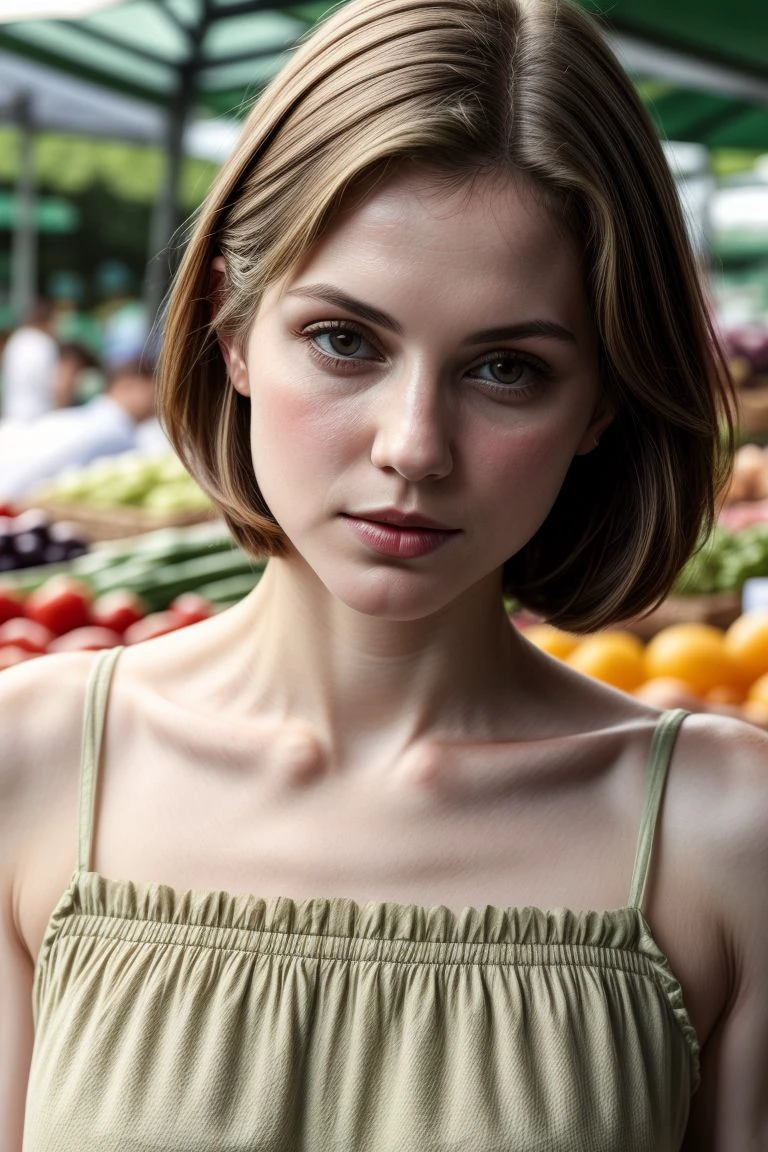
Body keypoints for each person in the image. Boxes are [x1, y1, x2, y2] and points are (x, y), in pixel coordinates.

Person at [2, 0, 767, 1148]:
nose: (414, 444)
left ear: (603, 399)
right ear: (230, 328)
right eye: (347, 340)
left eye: (506, 367)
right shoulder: (30, 769)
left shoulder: (731, 837)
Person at [0, 356, 156, 500]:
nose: (157, 400)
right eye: (154, 390)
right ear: (126, 385)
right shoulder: (113, 433)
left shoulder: (84, 419)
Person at [0, 298, 58, 422]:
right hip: (38, 420)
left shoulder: (15, 339)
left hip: (11, 418)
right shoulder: (44, 342)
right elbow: (54, 387)